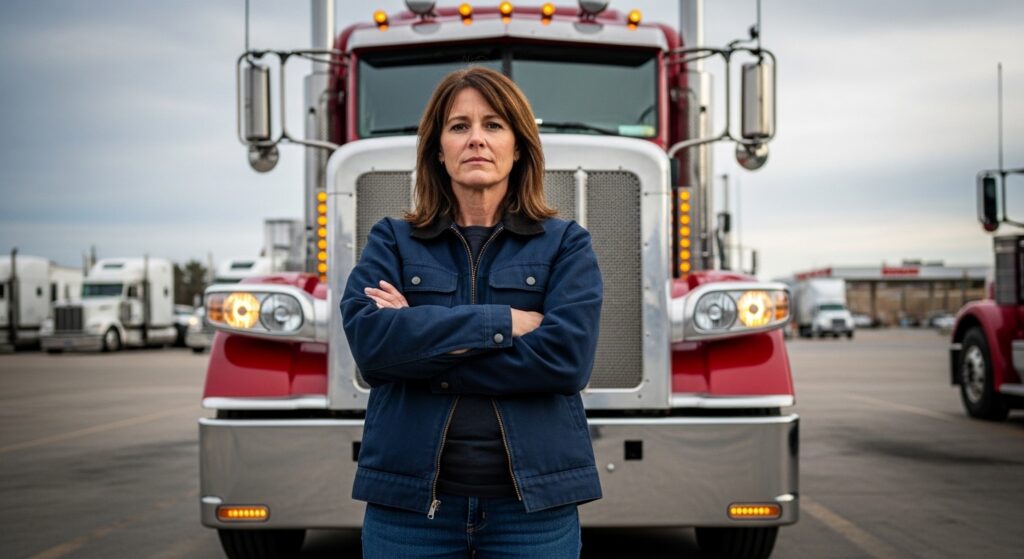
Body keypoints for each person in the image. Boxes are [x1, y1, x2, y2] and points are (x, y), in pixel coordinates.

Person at [340, 66, 603, 559]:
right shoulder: (391, 240)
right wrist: (504, 322)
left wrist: (420, 345)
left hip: (533, 515)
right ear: (438, 149)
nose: (476, 139)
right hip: (410, 514)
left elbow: (567, 361)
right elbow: (373, 350)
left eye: (494, 125)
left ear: (519, 146)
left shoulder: (566, 243)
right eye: (459, 126)